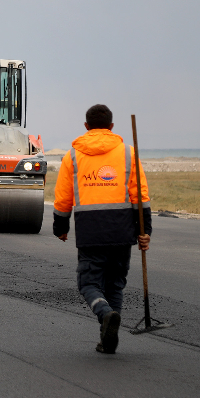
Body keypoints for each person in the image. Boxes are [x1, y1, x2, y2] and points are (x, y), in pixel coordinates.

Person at [53, 104, 152, 355]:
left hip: (90, 231)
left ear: (86, 126)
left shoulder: (73, 155)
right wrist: (144, 230)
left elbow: (63, 197)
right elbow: (140, 197)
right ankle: (108, 338)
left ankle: (106, 314)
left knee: (88, 283)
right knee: (115, 284)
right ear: (111, 127)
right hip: (122, 230)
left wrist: (60, 227)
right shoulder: (128, 153)